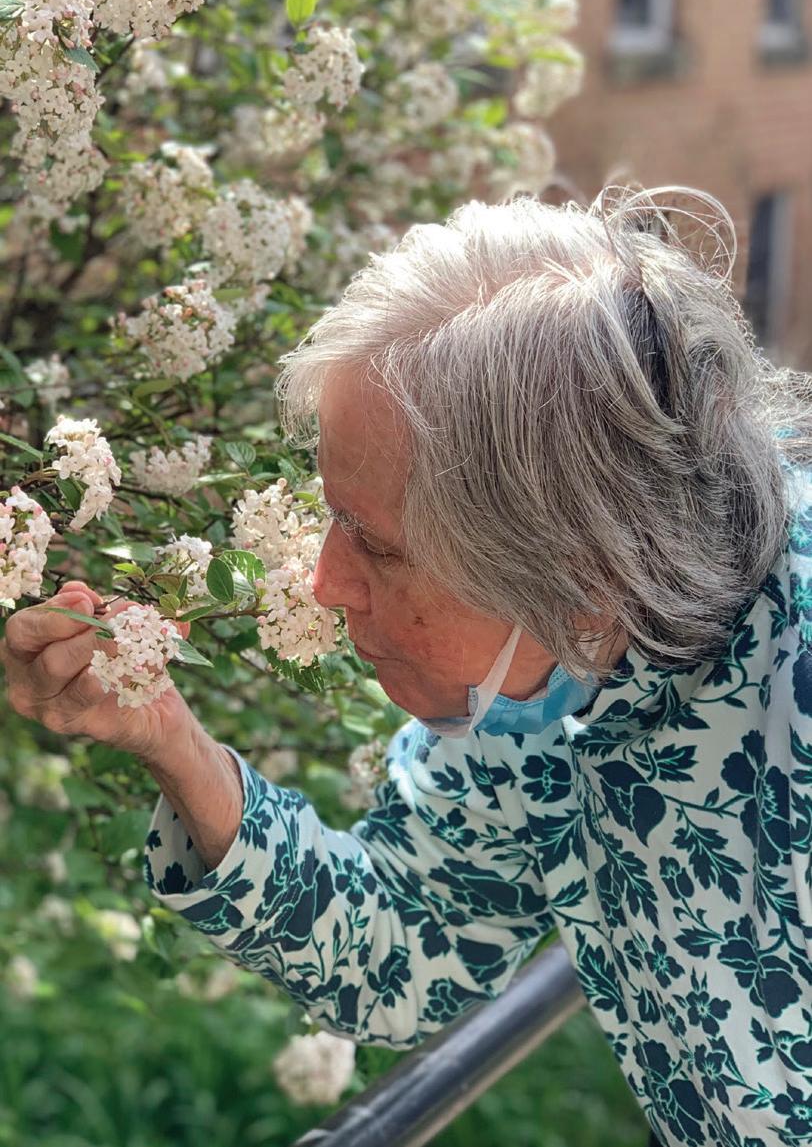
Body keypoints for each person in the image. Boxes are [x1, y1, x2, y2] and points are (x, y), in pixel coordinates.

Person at [2, 187, 811, 1147]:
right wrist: (172, 740)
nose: (323, 581)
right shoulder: (540, 683)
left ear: (583, 571)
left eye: (377, 545)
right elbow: (403, 940)